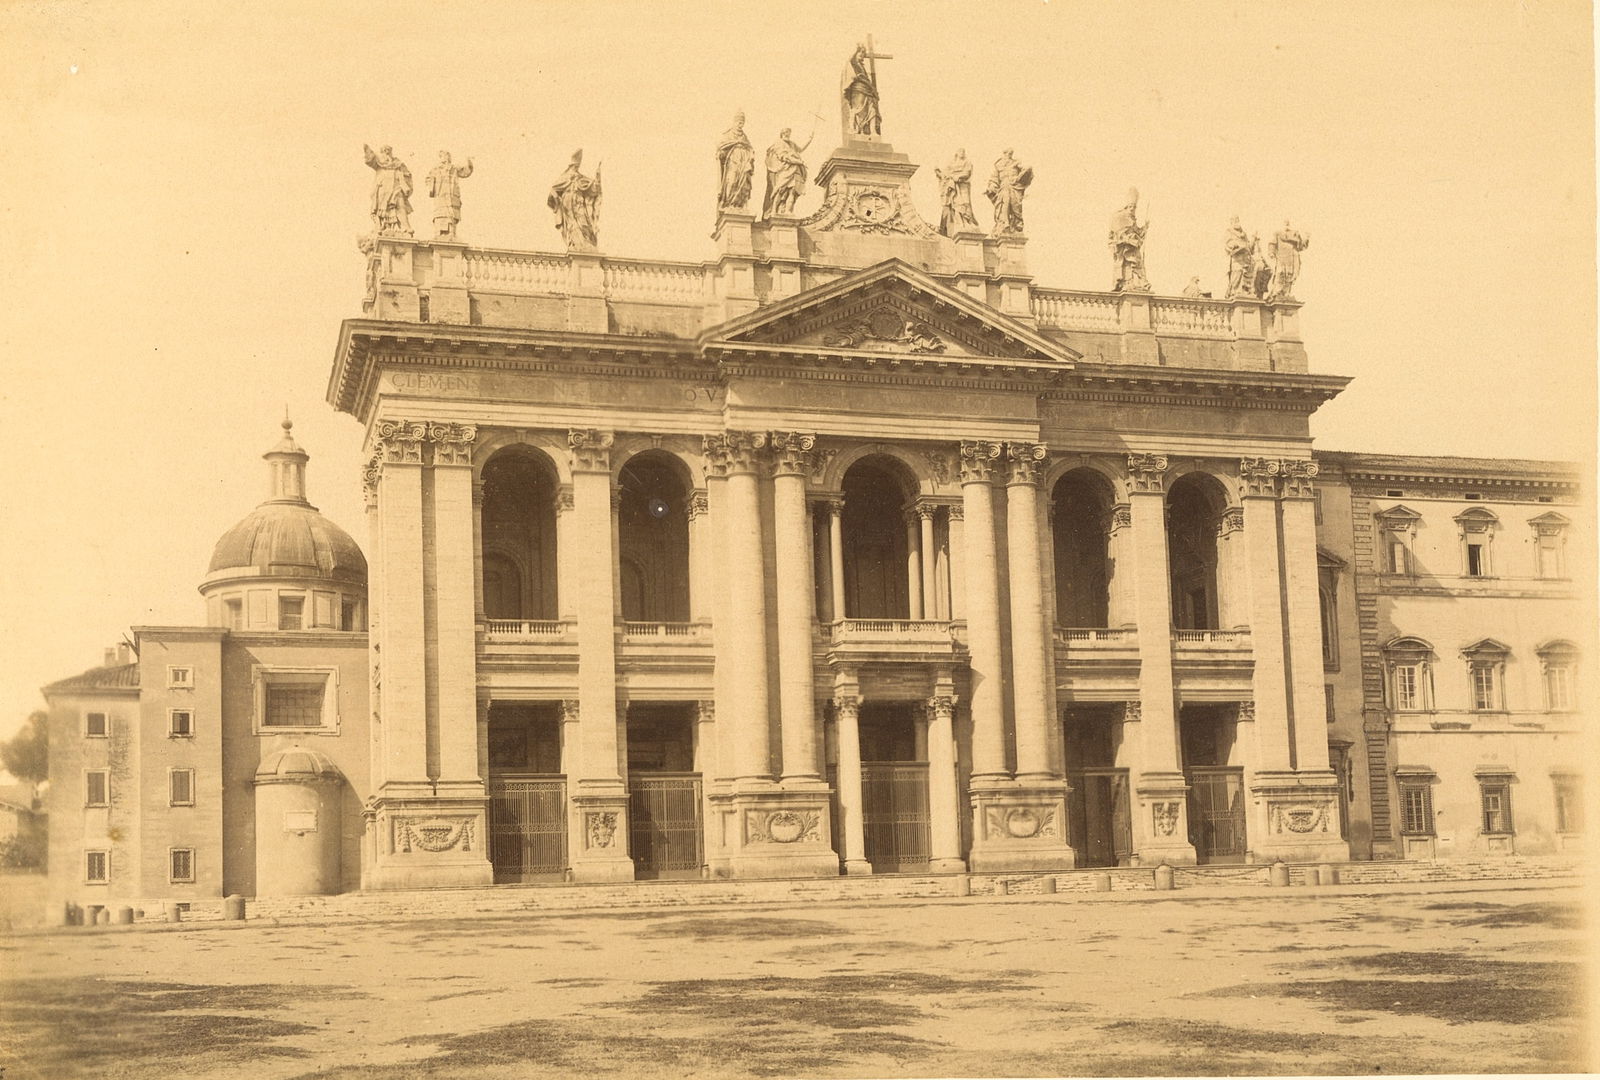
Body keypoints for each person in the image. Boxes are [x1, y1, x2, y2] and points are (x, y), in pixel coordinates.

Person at [548, 150, 602, 251]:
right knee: (573, 226)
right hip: (568, 205)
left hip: (579, 203)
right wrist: (557, 200)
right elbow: (553, 189)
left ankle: (586, 245)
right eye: (574, 167)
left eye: (577, 167)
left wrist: (598, 177)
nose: (576, 169)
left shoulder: (581, 178)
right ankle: (576, 245)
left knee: (584, 224)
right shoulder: (565, 177)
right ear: (571, 166)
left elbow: (594, 189)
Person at [762, 128, 813, 219]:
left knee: (793, 191)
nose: (787, 134)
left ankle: (788, 211)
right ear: (781, 133)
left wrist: (809, 140)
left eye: (789, 133)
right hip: (785, 170)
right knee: (781, 190)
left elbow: (800, 149)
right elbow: (784, 157)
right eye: (785, 133)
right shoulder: (779, 143)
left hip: (795, 170)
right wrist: (800, 162)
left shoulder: (792, 144)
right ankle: (774, 210)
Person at [363, 144, 413, 236]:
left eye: (388, 150)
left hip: (396, 187)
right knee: (381, 208)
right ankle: (381, 226)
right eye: (384, 150)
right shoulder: (379, 162)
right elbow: (370, 160)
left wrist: (405, 183)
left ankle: (406, 227)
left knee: (400, 205)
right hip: (383, 187)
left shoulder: (398, 163)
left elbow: (407, 174)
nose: (387, 152)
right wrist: (367, 151)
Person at [1108, 188, 1150, 291]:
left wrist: (1145, 228)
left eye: (1134, 207)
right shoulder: (1119, 217)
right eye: (1131, 206)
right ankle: (1126, 283)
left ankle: (1139, 284)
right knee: (1127, 263)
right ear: (1127, 207)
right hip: (1124, 247)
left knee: (1137, 264)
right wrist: (1127, 239)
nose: (1132, 209)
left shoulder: (1132, 219)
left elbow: (1138, 232)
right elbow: (1117, 234)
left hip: (1134, 247)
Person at [426, 152, 474, 240]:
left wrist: (469, 162)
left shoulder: (454, 168)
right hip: (440, 195)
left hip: (452, 195)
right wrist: (431, 186)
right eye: (442, 156)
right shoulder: (435, 169)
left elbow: (466, 172)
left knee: (451, 214)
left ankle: (452, 234)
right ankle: (439, 233)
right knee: (440, 213)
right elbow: (428, 179)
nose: (445, 158)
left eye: (446, 156)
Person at [985, 149, 1032, 236]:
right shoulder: (998, 165)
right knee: (1004, 205)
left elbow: (1027, 168)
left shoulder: (1016, 163)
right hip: (1004, 188)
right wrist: (991, 187)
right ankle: (1004, 224)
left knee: (1016, 206)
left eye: (1011, 153)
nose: (1010, 155)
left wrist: (1018, 178)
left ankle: (1016, 225)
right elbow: (994, 180)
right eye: (1008, 153)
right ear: (1004, 154)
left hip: (1014, 187)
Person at [715, 111, 755, 212]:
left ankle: (739, 204)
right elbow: (722, 147)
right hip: (733, 160)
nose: (741, 124)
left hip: (744, 160)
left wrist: (751, 155)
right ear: (734, 122)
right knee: (732, 181)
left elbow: (750, 148)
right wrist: (721, 154)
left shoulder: (745, 137)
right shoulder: (728, 134)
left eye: (742, 122)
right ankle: (729, 203)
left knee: (744, 182)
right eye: (739, 122)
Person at [935, 149, 981, 236]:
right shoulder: (952, 164)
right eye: (961, 151)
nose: (962, 153)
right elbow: (945, 174)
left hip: (963, 185)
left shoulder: (967, 162)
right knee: (956, 204)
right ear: (957, 153)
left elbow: (967, 173)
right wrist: (939, 173)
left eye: (964, 151)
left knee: (965, 203)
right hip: (955, 187)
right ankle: (960, 223)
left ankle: (967, 222)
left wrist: (957, 176)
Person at [843, 44, 882, 136]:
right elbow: (853, 75)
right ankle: (853, 128)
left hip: (867, 89)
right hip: (858, 89)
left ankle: (873, 131)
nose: (862, 54)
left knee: (872, 109)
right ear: (855, 53)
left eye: (863, 52)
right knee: (857, 109)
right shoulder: (853, 63)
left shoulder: (861, 66)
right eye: (859, 51)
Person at [1268, 221, 1310, 300]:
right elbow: (1272, 243)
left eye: (1288, 223)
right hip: (1282, 256)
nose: (1286, 224)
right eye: (1285, 223)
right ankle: (1277, 292)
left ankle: (1286, 293)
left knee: (1290, 275)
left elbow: (1300, 246)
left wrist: (1306, 239)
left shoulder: (1295, 234)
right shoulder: (1278, 233)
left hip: (1292, 258)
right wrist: (1271, 252)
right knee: (1280, 273)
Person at [1224, 216, 1255, 298]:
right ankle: (1235, 291)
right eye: (1234, 220)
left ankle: (1245, 291)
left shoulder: (1244, 234)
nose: (1236, 222)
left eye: (1237, 220)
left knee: (1247, 274)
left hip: (1246, 257)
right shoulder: (1229, 231)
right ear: (1231, 223)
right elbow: (1227, 243)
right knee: (1238, 271)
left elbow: (1249, 247)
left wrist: (1253, 239)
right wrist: (1233, 245)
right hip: (1237, 256)